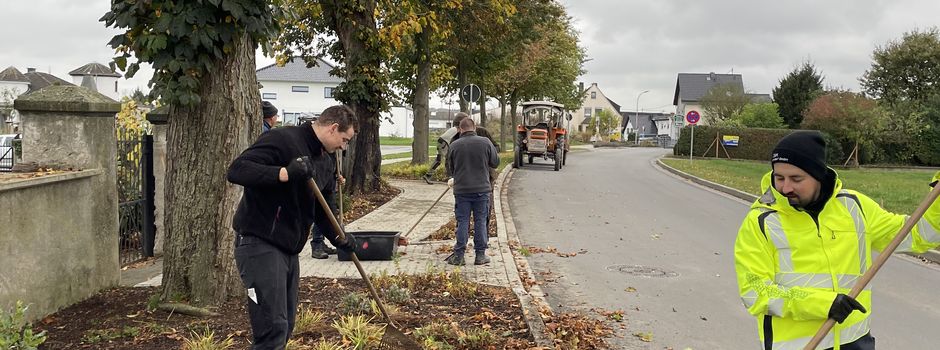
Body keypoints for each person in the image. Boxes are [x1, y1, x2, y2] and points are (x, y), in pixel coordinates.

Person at [733, 131, 940, 350]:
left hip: (855, 342)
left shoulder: (854, 207)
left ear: (818, 175)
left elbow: (919, 235)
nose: (785, 188)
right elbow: (755, 292)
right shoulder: (761, 222)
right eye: (779, 177)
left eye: (796, 179)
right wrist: (824, 305)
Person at [227, 105, 358, 349]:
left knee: (285, 325)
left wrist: (339, 236)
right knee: (271, 328)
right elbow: (237, 170)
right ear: (333, 128)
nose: (344, 146)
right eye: (344, 139)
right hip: (260, 242)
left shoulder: (325, 160)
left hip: (289, 248)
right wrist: (285, 173)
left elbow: (322, 208)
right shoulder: (282, 139)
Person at [444, 117, 499, 266]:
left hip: (462, 191)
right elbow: (495, 162)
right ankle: (480, 256)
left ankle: (459, 256)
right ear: (474, 128)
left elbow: (451, 168)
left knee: (463, 221)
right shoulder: (485, 142)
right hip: (482, 190)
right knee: (481, 221)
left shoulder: (454, 145)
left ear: (460, 129)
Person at [309, 151, 339, 259]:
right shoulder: (322, 148)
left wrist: (337, 176)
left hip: (329, 183)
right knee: (322, 212)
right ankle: (317, 244)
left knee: (329, 213)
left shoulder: (334, 148)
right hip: (321, 184)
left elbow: (334, 163)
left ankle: (322, 243)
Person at [424, 113, 467, 183]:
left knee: (440, 160)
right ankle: (430, 175)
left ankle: (429, 175)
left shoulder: (454, 128)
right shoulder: (458, 128)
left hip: (441, 142)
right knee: (443, 160)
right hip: (443, 143)